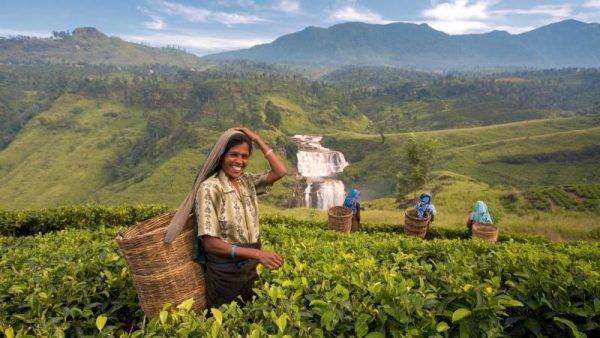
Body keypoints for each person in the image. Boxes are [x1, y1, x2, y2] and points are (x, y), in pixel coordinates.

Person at [166, 127, 287, 309]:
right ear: (222, 156)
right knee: (226, 323)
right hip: (225, 276)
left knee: (249, 320)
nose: (239, 161)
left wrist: (257, 139)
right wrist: (257, 254)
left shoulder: (247, 182)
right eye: (233, 155)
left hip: (250, 271)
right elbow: (210, 244)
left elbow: (280, 172)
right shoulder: (210, 188)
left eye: (245, 156)